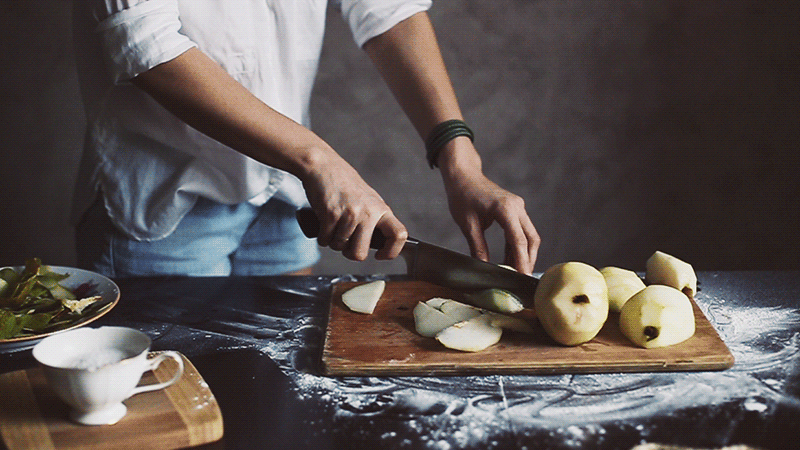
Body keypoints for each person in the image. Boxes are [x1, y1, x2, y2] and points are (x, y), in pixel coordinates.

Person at [71, 0, 540, 278]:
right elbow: (145, 43)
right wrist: (320, 162)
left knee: (281, 415)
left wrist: (458, 155)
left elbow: (387, 9)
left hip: (286, 202)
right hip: (163, 205)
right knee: (174, 425)